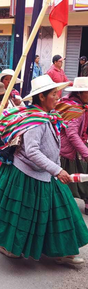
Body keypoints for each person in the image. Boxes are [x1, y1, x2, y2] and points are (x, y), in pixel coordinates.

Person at [0, 75, 88, 264]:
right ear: (41, 97)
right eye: (54, 94)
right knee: (21, 216)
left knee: (60, 212)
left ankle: (63, 251)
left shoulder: (48, 116)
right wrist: (57, 170)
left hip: (47, 173)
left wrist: (54, 170)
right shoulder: (35, 120)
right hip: (27, 174)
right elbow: (32, 151)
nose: (58, 97)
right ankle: (10, 247)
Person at [58, 77, 88, 215]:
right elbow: (72, 134)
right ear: (79, 93)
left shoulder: (77, 105)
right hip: (68, 151)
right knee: (66, 182)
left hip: (73, 149)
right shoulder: (74, 109)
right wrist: (86, 153)